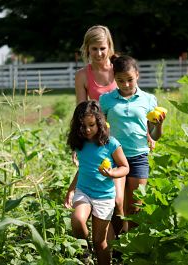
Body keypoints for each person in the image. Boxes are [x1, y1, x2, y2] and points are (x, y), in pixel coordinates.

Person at [99, 55, 166, 229]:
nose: (126, 84)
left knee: (135, 207)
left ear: (137, 74)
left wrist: (159, 126)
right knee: (116, 203)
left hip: (138, 156)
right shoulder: (106, 100)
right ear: (115, 79)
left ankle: (133, 249)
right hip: (115, 157)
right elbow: (100, 128)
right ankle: (117, 245)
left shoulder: (149, 100)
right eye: (120, 81)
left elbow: (155, 135)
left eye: (130, 79)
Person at [73, 25, 127, 236]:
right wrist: (77, 146)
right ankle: (99, 245)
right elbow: (80, 112)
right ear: (87, 49)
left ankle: (121, 244)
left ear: (110, 47)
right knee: (106, 198)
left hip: (121, 140)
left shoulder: (118, 67)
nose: (99, 53)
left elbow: (134, 96)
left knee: (120, 201)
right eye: (94, 49)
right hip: (96, 144)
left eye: (103, 48)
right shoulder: (82, 75)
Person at [64, 100, 129, 265]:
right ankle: (85, 251)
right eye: (82, 126)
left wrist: (113, 173)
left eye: (91, 125)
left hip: (104, 196)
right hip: (84, 191)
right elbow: (83, 170)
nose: (87, 130)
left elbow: (124, 167)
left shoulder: (111, 144)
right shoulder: (81, 144)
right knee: (78, 220)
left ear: (99, 122)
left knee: (100, 242)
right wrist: (71, 190)